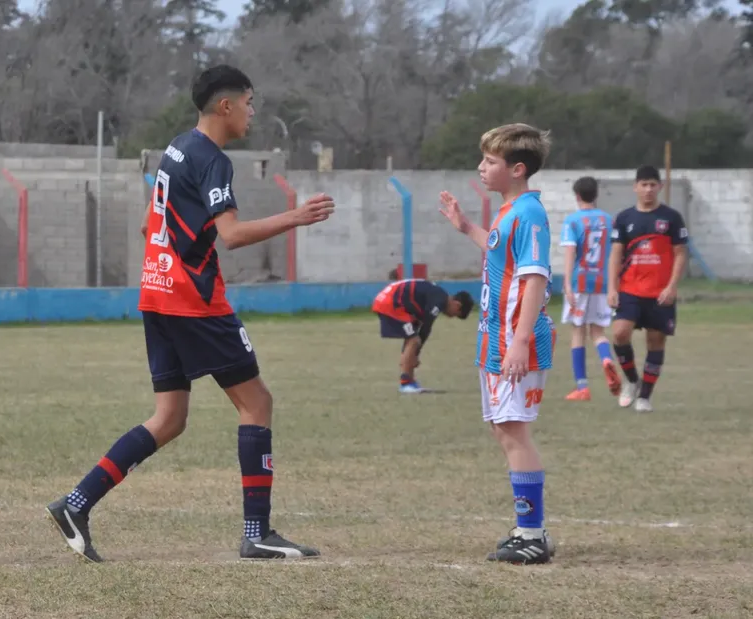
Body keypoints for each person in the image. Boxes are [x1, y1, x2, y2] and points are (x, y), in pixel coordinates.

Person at [47, 65, 335, 562]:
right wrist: (297, 216)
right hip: (192, 300)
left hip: (156, 294)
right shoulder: (213, 161)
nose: (252, 110)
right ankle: (257, 532)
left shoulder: (176, 147)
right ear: (225, 106)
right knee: (257, 403)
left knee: (170, 417)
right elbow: (232, 234)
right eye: (249, 101)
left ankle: (76, 504)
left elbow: (146, 224)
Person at [438, 123, 556, 565]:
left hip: (514, 340)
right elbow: (497, 253)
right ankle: (528, 529)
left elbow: (534, 276)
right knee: (503, 429)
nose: (481, 168)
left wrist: (521, 342)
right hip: (496, 339)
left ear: (518, 168)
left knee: (514, 430)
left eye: (490, 161)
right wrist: (467, 226)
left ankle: (532, 534)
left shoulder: (528, 213)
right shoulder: (510, 212)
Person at [607, 165, 688, 413]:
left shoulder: (672, 218)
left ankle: (645, 397)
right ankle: (632, 380)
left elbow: (681, 254)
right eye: (644, 184)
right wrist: (612, 288)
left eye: (653, 184)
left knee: (655, 341)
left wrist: (672, 286)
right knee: (620, 334)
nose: (649, 189)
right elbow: (615, 255)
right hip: (630, 290)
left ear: (660, 187)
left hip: (660, 292)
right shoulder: (624, 218)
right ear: (635, 187)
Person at [559, 177, 621, 401]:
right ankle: (606, 359)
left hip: (580, 282)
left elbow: (570, 253)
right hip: (603, 283)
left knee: (578, 332)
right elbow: (616, 252)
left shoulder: (573, 221)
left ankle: (582, 388)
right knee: (597, 331)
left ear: (577, 196)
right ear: (596, 195)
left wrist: (566, 283)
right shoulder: (608, 220)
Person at [371, 276, 474, 393]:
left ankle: (410, 381)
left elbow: (418, 330)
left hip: (388, 300)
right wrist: (415, 355)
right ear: (457, 305)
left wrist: (413, 354)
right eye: (456, 314)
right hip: (391, 303)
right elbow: (426, 326)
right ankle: (406, 384)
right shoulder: (440, 299)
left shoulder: (430, 297)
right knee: (414, 341)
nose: (451, 317)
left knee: (412, 339)